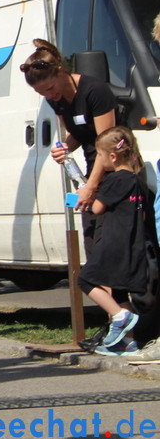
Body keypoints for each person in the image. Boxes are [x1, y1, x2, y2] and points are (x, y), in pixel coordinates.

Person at [20, 38, 117, 255]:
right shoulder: (56, 100)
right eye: (42, 93)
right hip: (92, 172)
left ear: (60, 72)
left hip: (114, 172)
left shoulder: (94, 91)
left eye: (51, 88)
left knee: (106, 248)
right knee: (92, 246)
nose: (49, 96)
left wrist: (91, 188)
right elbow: (78, 134)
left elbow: (107, 145)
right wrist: (65, 147)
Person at [78, 127, 158, 356]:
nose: (100, 162)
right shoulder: (138, 181)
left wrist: (85, 194)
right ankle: (127, 344)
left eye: (100, 157)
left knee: (85, 279)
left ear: (112, 157)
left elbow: (97, 208)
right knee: (120, 293)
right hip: (134, 244)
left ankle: (121, 317)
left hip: (113, 242)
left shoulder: (114, 180)